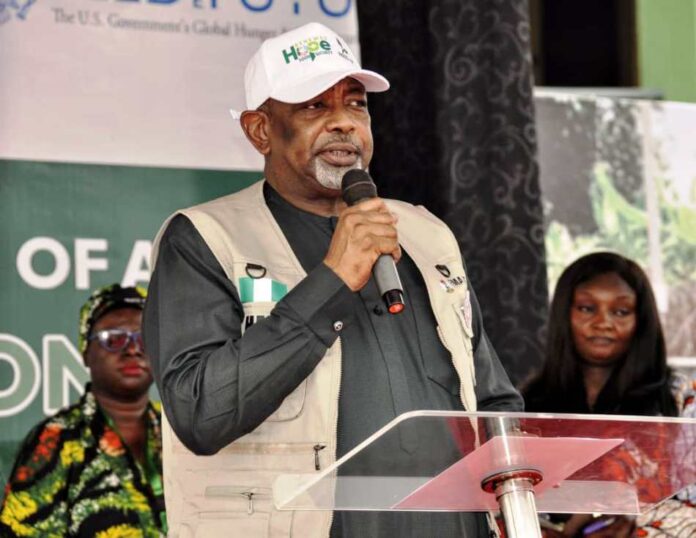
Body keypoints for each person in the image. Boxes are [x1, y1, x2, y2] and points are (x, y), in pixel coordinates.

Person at [143, 22, 523, 538]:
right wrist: (332, 279)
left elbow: (492, 398)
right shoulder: (205, 238)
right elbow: (199, 413)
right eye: (314, 107)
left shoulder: (427, 234)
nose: (343, 123)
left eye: (356, 104)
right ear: (260, 130)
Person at [522, 251, 696, 537]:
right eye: (588, 308)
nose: (603, 323)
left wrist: (635, 525)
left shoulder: (680, 400)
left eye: (620, 311)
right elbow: (501, 502)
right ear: (564, 313)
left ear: (641, 320)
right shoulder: (525, 405)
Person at [0, 284, 167, 537]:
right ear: (85, 352)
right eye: (113, 339)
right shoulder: (55, 441)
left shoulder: (179, 430)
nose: (133, 349)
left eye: (145, 338)